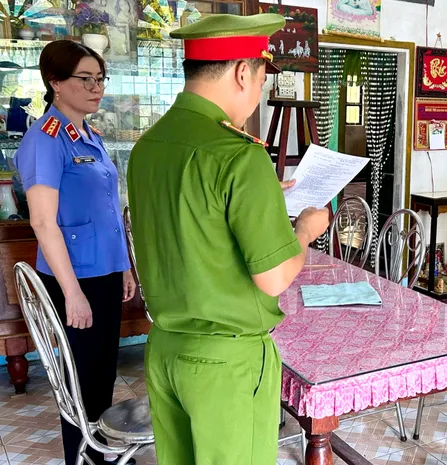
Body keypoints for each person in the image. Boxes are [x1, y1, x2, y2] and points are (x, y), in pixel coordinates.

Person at [126, 13, 329, 465]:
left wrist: (258, 199)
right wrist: (305, 231)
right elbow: (274, 278)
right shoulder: (238, 155)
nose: (257, 94)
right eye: (260, 79)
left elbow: (190, 216)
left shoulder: (149, 147)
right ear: (242, 72)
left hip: (165, 351)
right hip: (227, 362)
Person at [13, 40, 137, 465]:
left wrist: (123, 267)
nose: (95, 87)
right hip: (74, 278)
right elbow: (43, 223)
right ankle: (82, 457)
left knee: (102, 372)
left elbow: (107, 211)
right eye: (85, 79)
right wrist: (72, 293)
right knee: (79, 380)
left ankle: (101, 455)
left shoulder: (88, 134)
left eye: (100, 78)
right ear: (55, 83)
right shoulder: (46, 139)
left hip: (103, 273)